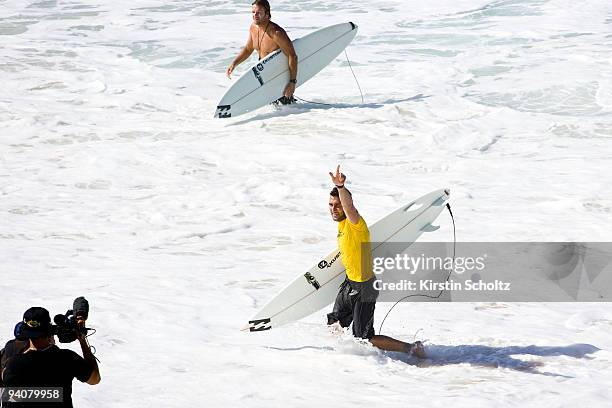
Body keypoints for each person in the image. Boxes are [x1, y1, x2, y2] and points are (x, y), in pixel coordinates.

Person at [326, 165, 426, 358]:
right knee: (334, 322)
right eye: (331, 205)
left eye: (337, 205)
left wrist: (341, 187)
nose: (334, 209)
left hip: (365, 289)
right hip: (350, 284)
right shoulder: (341, 225)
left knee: (364, 337)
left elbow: (350, 207)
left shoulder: (356, 224)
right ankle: (337, 359)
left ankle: (412, 348)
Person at [1, 307, 100, 407]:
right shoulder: (67, 358)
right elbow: (95, 379)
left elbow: (8, 398)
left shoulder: (13, 364)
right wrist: (82, 340)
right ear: (49, 331)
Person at [226, 0, 298, 104]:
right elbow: (248, 49)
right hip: (264, 75)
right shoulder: (253, 28)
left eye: (259, 12)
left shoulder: (276, 33)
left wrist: (292, 83)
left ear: (267, 15)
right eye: (253, 12)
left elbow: (292, 56)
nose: (255, 15)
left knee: (286, 109)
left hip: (278, 77)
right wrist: (234, 63)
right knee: (271, 111)